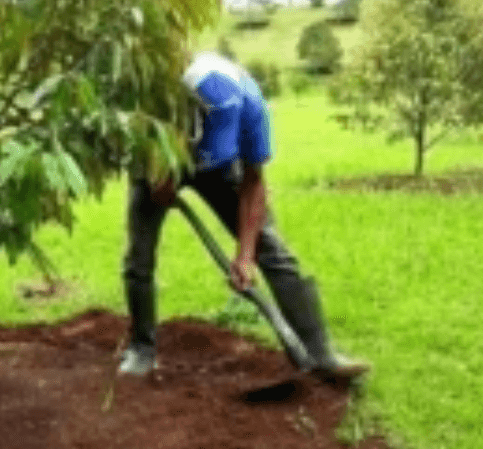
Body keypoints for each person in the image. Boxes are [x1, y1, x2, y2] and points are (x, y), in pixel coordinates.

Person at [118, 51, 370, 379]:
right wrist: (155, 174)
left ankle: (321, 355)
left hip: (221, 171)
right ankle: (142, 350)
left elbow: (254, 181)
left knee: (272, 250)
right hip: (162, 157)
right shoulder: (162, 97)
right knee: (139, 254)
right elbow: (131, 137)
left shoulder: (252, 106)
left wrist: (246, 255)